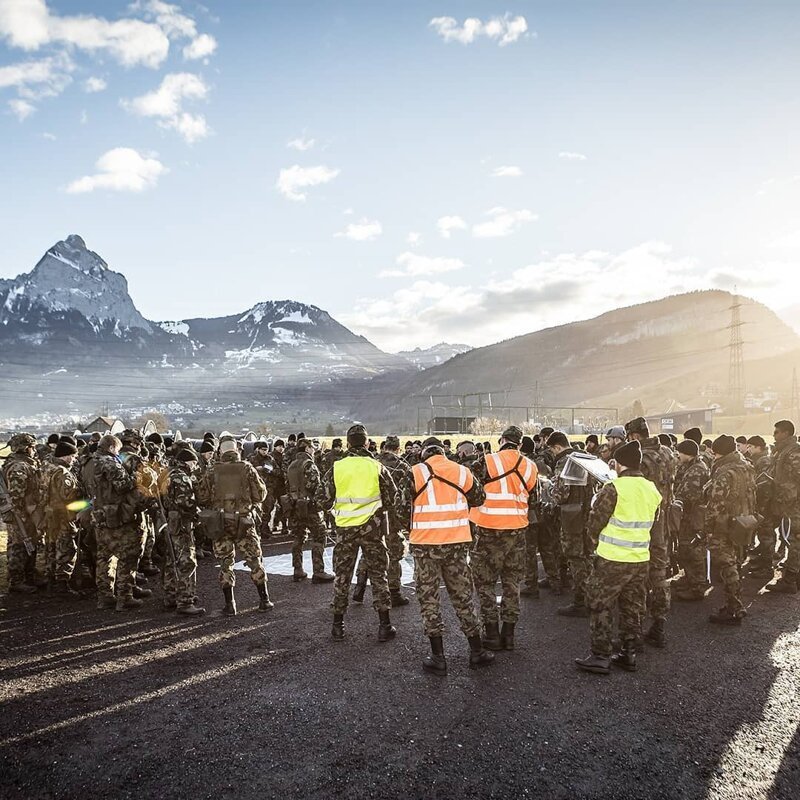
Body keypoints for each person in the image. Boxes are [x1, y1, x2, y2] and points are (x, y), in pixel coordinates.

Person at [395, 436, 493, 674]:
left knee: (429, 599)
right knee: (463, 597)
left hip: (425, 545)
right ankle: (477, 651)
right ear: (443, 453)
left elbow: (399, 508)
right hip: (457, 543)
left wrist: (412, 528)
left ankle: (438, 657)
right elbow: (480, 498)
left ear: (424, 455)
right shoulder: (461, 471)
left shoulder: (415, 472)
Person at [575, 440, 662, 674]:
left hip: (612, 559)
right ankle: (628, 653)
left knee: (599, 604)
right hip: (640, 558)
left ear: (619, 464)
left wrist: (595, 542)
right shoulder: (652, 489)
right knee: (631, 606)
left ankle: (600, 655)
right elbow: (654, 522)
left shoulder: (614, 488)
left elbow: (594, 523)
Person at [316, 424, 397, 642]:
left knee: (342, 576)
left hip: (345, 530)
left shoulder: (337, 467)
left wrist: (336, 511)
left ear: (348, 443)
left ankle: (337, 627)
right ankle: (384, 625)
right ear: (367, 442)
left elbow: (322, 499)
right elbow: (392, 497)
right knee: (379, 575)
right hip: (372, 529)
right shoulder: (376, 466)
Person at [470, 425, 538, 650]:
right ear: (519, 444)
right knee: (511, 583)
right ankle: (508, 634)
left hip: (488, 529)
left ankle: (491, 634)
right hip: (517, 532)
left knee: (485, 582)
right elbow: (534, 499)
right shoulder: (530, 466)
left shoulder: (487, 461)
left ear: (501, 440)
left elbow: (473, 492)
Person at [197, 438, 272, 615]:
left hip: (220, 523)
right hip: (244, 522)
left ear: (220, 452)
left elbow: (202, 497)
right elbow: (260, 494)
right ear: (237, 450)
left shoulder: (211, 470)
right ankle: (264, 600)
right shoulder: (246, 467)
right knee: (254, 560)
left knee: (225, 564)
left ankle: (230, 605)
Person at [625, 417, 674, 648]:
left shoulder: (641, 457)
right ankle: (659, 625)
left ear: (634, 435)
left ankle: (633, 632)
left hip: (642, 520)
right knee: (659, 572)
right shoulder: (667, 452)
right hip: (662, 519)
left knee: (638, 576)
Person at [352, 435, 411, 607]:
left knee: (369, 550)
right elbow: (405, 496)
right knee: (394, 552)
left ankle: (359, 587)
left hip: (370, 514)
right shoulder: (403, 467)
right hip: (391, 517)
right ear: (398, 448)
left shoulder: (371, 463)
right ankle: (395, 592)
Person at [92, 434, 149, 611]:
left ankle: (105, 596)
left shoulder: (89, 462)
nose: (119, 454)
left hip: (99, 514)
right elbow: (123, 485)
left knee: (104, 557)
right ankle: (125, 597)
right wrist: (138, 478)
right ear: (111, 448)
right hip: (116, 516)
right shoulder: (110, 463)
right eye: (117, 450)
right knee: (127, 556)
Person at [705, 435, 757, 624]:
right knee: (735, 561)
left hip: (725, 524)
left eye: (714, 453)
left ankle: (734, 608)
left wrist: (709, 527)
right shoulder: (746, 466)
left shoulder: (725, 472)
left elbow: (715, 504)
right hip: (743, 521)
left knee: (727, 564)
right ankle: (734, 605)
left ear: (719, 453)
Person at [547, 431, 593, 617]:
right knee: (588, 556)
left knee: (576, 558)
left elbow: (561, 493)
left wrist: (549, 488)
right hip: (589, 512)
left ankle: (581, 601)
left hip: (572, 515)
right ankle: (592, 596)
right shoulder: (587, 457)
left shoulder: (564, 462)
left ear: (557, 446)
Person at [285, 438, 335, 583]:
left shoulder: (291, 465)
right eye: (312, 447)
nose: (313, 450)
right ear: (307, 449)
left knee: (298, 537)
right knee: (319, 536)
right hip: (309, 506)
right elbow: (316, 486)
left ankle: (297, 569)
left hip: (294, 505)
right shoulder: (309, 465)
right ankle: (318, 571)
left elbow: (287, 485)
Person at [163, 448, 205, 615]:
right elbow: (185, 502)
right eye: (193, 462)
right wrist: (198, 514)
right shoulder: (181, 477)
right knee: (187, 561)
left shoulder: (168, 473)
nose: (195, 465)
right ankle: (185, 601)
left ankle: (171, 595)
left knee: (171, 559)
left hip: (171, 522)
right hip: (182, 524)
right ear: (188, 461)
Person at [1, 433, 44, 594]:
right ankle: (16, 581)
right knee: (19, 545)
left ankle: (29, 576)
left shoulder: (23, 463)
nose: (34, 450)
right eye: (32, 447)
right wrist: (22, 515)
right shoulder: (19, 467)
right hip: (20, 514)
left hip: (28, 512)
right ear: (26, 448)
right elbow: (16, 495)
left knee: (30, 544)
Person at [672, 440, 711, 601]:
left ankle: (697, 587)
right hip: (690, 515)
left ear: (687, 453)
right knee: (686, 549)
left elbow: (688, 494)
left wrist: (676, 501)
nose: (678, 455)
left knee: (694, 551)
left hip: (693, 516)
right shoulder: (692, 466)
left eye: (680, 453)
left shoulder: (696, 470)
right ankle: (690, 580)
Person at [42, 440, 82, 595]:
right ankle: (62, 585)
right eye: (72, 456)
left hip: (49, 515)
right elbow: (69, 497)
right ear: (65, 457)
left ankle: (51, 581)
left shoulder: (47, 467)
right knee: (66, 549)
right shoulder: (62, 472)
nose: (74, 459)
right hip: (63, 517)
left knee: (51, 548)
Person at [767, 419, 800, 594]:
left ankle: (790, 580)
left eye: (776, 432)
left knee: (795, 540)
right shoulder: (783, 451)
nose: (774, 435)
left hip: (793, 503)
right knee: (791, 538)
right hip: (786, 501)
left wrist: (790, 494)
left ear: (786, 433)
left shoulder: (793, 451)